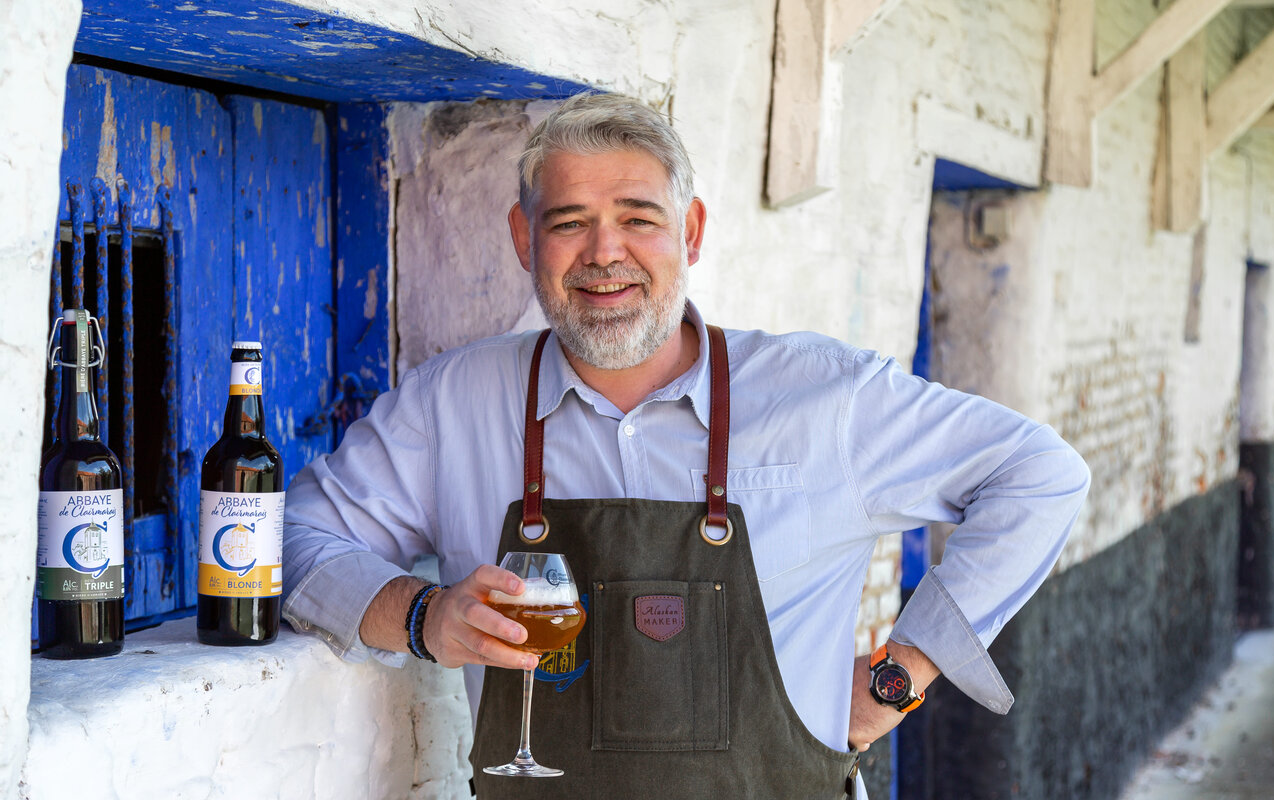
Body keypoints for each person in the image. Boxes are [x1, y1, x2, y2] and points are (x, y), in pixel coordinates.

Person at [282, 92, 1090, 799]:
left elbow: (1038, 475)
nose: (605, 253)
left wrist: (897, 678)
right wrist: (421, 616)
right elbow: (288, 539)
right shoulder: (451, 404)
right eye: (570, 223)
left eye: (638, 218)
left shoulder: (825, 397)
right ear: (524, 240)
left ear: (691, 232)